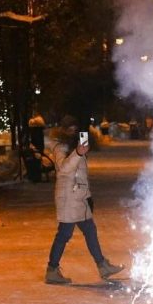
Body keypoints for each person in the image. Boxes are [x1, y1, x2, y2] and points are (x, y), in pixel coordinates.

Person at [45, 115, 124, 284]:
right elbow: (64, 169)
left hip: (78, 198)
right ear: (64, 130)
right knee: (64, 234)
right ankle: (52, 270)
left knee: (89, 230)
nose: (73, 132)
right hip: (69, 198)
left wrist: (87, 196)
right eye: (70, 129)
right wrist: (78, 153)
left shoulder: (73, 146)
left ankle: (102, 265)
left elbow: (80, 175)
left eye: (76, 129)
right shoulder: (60, 147)